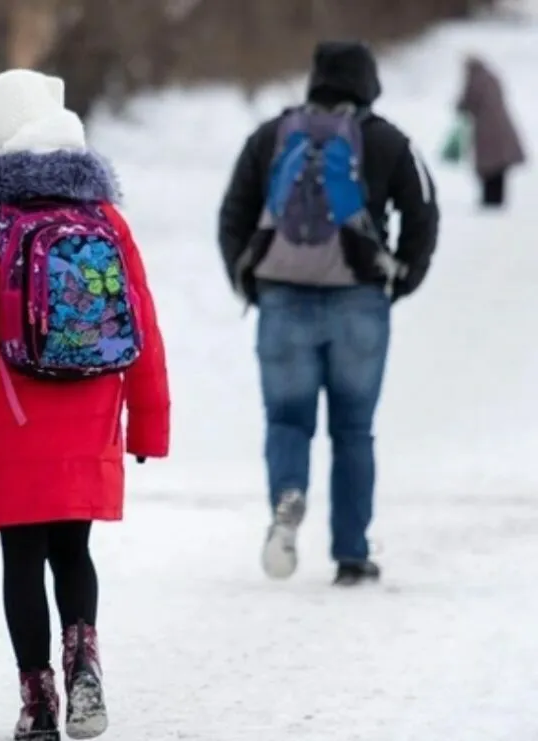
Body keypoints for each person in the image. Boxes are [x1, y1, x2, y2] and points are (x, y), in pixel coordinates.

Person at [0, 69, 171, 741]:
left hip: (15, 419)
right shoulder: (104, 216)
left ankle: (37, 701)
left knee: (22, 560)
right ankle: (85, 668)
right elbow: (144, 326)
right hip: (94, 408)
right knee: (74, 551)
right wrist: (149, 422)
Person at [218, 41, 440, 587]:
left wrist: (248, 278)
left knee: (287, 420)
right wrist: (401, 278)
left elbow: (234, 212)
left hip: (281, 297)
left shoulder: (270, 136)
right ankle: (351, 552)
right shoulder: (388, 141)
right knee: (353, 430)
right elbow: (424, 213)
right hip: (358, 300)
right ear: (368, 81)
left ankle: (288, 498)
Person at [457, 54, 526, 208]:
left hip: (486, 129)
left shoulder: (475, 80)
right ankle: (497, 200)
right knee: (499, 166)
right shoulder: (491, 77)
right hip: (502, 126)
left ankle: (490, 201)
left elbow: (466, 102)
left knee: (489, 166)